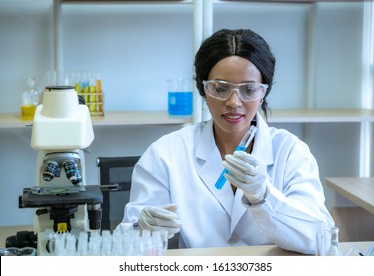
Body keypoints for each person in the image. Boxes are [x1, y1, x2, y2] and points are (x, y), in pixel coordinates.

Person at [120, 28, 334, 254]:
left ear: (263, 92)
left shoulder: (290, 151)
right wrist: (141, 230)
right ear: (204, 89)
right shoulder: (167, 153)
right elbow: (124, 248)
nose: (234, 102)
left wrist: (264, 197)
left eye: (248, 89)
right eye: (221, 88)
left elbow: (319, 239)